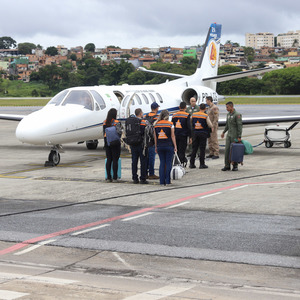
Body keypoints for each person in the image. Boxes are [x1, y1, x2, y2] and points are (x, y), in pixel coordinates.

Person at [154, 110, 177, 185]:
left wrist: (156, 146)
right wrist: (175, 146)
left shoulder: (156, 124)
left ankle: (161, 181)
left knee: (162, 163)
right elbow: (172, 136)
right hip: (169, 145)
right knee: (168, 163)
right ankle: (168, 181)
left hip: (160, 146)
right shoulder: (171, 124)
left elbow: (155, 137)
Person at [189, 103, 213, 169]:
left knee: (194, 148)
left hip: (195, 133)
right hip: (203, 133)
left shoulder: (194, 114)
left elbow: (190, 121)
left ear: (199, 108)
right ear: (205, 109)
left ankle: (191, 163)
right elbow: (210, 125)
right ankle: (202, 164)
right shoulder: (205, 116)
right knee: (202, 149)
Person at [221, 101, 243, 171]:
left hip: (235, 135)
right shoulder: (228, 115)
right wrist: (224, 132)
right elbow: (227, 125)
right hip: (229, 135)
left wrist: (239, 136)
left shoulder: (237, 115)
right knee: (227, 150)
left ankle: (235, 165)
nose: (226, 108)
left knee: (234, 150)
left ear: (231, 107)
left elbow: (239, 126)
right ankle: (227, 165)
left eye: (227, 107)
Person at [129, 108, 148, 184]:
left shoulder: (131, 122)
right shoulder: (142, 122)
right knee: (143, 161)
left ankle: (134, 178)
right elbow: (145, 132)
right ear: (140, 114)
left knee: (134, 161)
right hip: (141, 144)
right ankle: (143, 178)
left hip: (133, 144)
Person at [103, 108, 122, 182]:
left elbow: (103, 133)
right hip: (115, 143)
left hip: (107, 142)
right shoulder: (117, 122)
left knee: (109, 160)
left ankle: (108, 177)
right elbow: (120, 132)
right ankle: (115, 177)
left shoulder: (105, 122)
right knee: (115, 160)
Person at [144, 102, 160, 179]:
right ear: (156, 108)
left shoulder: (145, 116)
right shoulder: (157, 117)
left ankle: (145, 172)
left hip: (145, 139)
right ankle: (151, 173)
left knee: (146, 157)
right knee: (152, 157)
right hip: (152, 140)